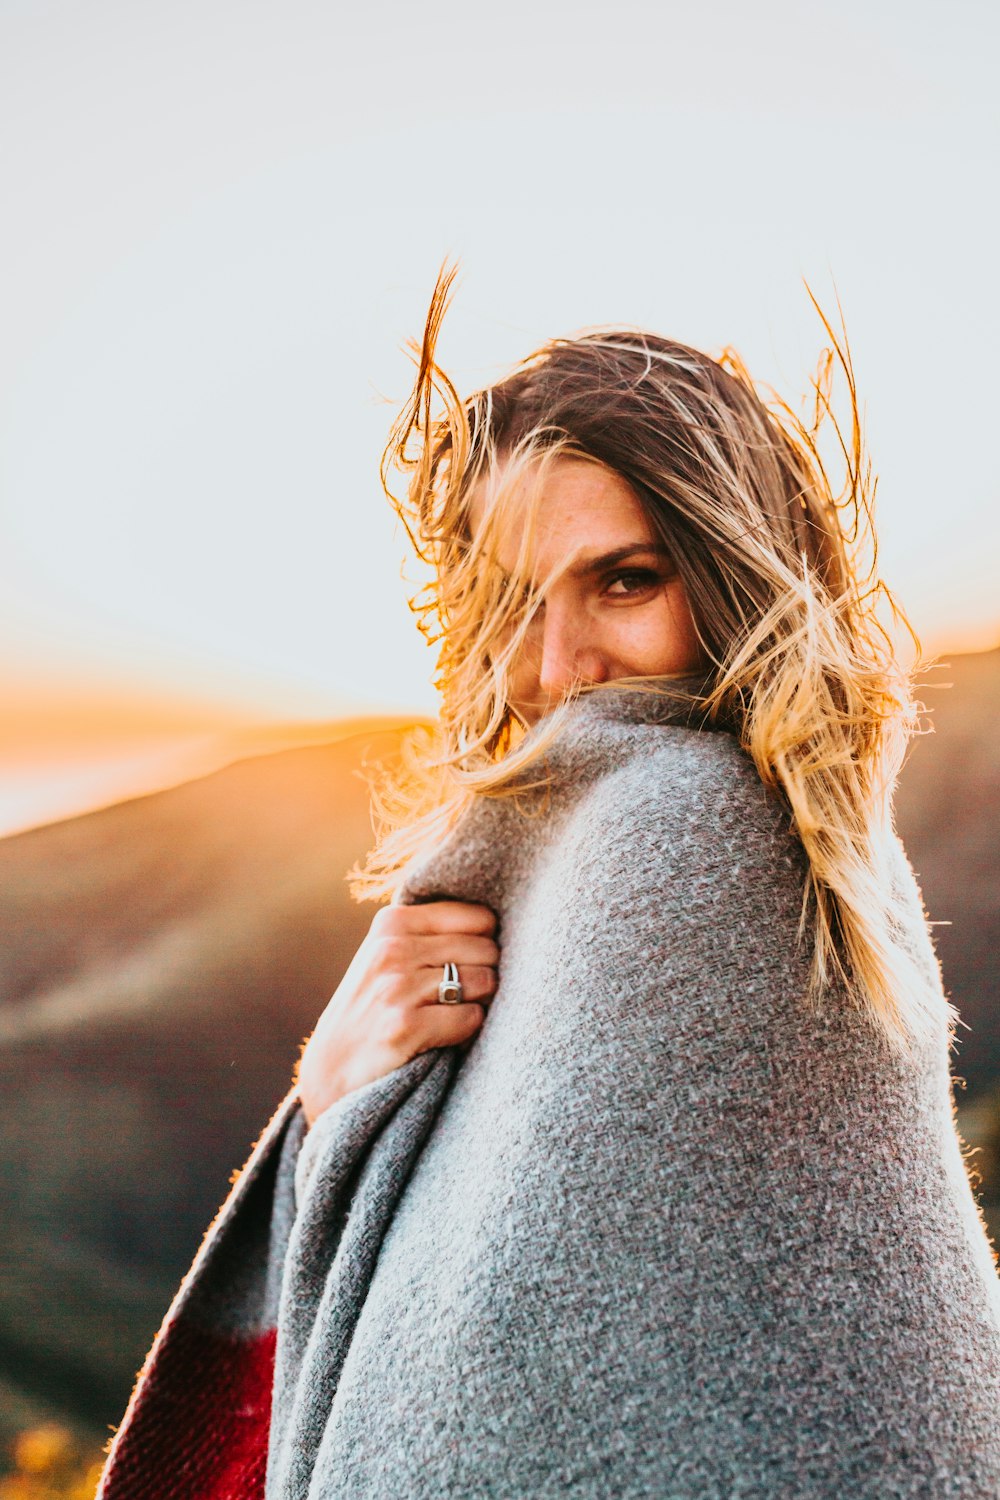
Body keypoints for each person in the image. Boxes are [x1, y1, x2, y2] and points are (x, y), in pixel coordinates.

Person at [97, 269, 1000, 1500]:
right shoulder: (756, 857)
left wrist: (331, 1123)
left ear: (739, 575)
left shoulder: (695, 828)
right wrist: (334, 1092)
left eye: (624, 581)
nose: (558, 668)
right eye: (510, 603)